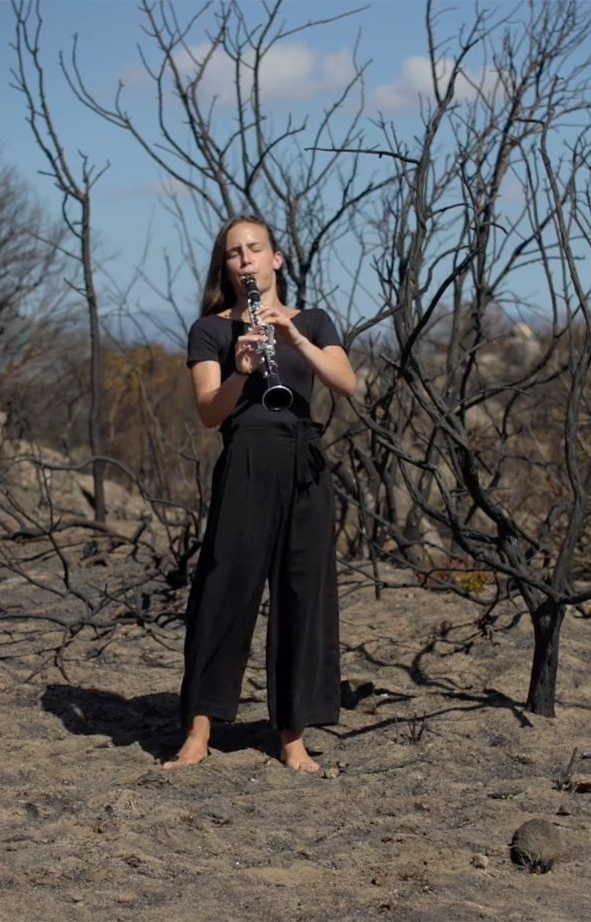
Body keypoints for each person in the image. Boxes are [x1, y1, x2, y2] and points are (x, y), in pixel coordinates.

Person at [163, 215, 357, 773]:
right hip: (246, 457)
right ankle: (198, 732)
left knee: (303, 596)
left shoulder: (314, 320)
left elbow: (345, 383)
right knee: (224, 591)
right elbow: (207, 413)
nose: (245, 258)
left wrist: (292, 336)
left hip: (303, 462)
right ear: (226, 266)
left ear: (276, 259)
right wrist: (241, 372)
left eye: (255, 249)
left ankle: (291, 736)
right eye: (233, 253)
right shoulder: (212, 329)